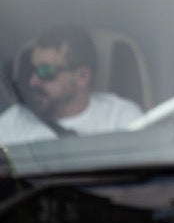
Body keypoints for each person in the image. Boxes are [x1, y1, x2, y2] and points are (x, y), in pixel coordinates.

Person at [0, 25, 142, 144]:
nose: (34, 81)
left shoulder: (120, 119)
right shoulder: (13, 123)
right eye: (33, 70)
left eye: (46, 71)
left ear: (82, 77)